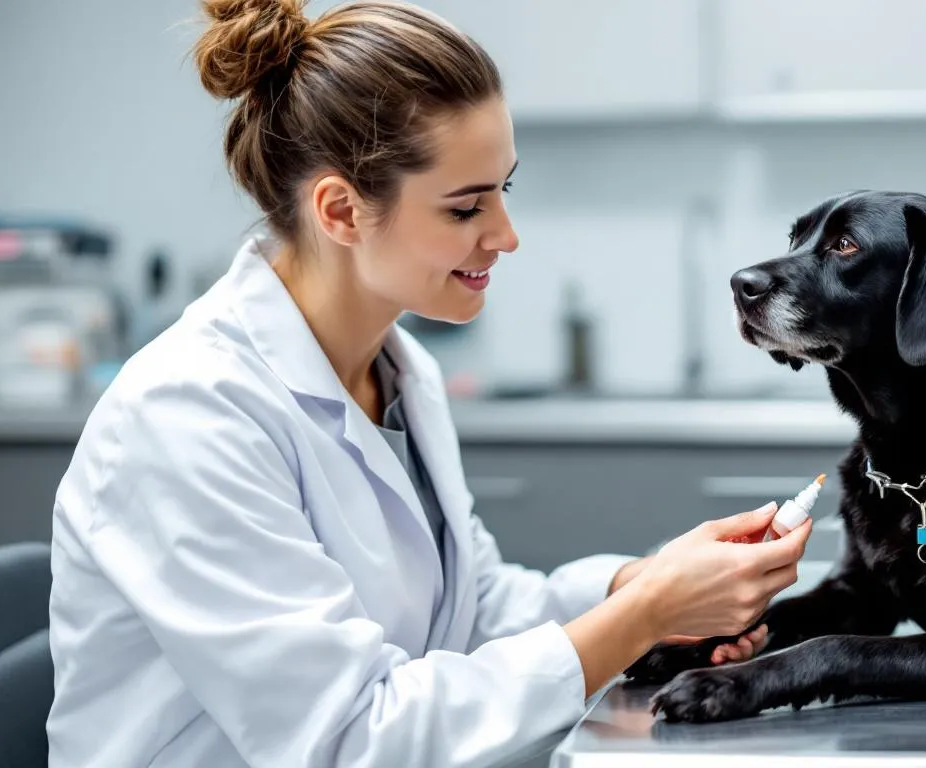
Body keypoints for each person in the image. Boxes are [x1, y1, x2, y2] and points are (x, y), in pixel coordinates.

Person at [44, 1, 814, 766]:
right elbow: (350, 738)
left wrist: (637, 585)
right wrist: (641, 616)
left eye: (504, 188)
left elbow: (469, 613)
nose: (506, 234)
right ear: (341, 210)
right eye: (466, 206)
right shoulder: (187, 416)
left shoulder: (399, 371)